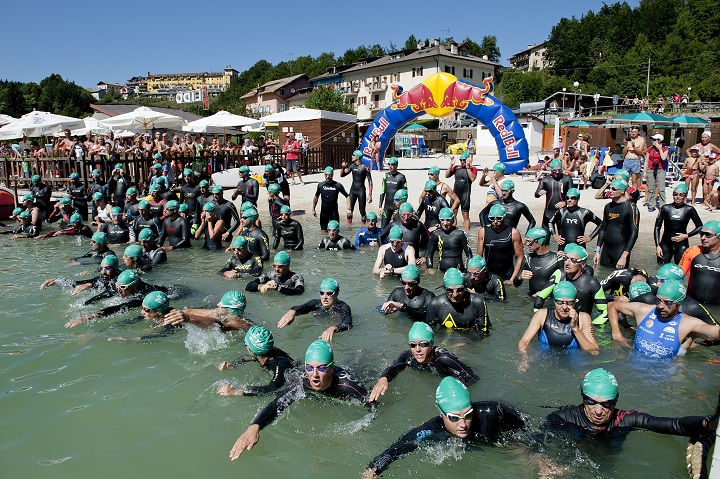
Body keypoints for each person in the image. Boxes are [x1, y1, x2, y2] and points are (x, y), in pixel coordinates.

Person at [229, 339, 372, 461]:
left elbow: (375, 408)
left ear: (331, 368)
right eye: (309, 367)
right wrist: (255, 426)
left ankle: (363, 354)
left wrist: (358, 430)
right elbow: (278, 403)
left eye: (321, 368)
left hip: (356, 378)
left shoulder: (349, 387)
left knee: (360, 364)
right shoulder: (303, 381)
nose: (314, 375)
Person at [362, 377, 525, 478]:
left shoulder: (493, 411)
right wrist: (374, 468)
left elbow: (526, 432)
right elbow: (401, 446)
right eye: (454, 418)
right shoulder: (434, 427)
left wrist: (534, 454)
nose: (462, 424)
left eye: (467, 415)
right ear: (441, 414)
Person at [546, 368, 718, 445]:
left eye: (607, 404)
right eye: (591, 402)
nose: (598, 411)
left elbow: (674, 425)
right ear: (582, 397)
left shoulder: (625, 419)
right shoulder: (564, 417)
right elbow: (540, 442)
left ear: (616, 401)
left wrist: (707, 423)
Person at [369, 322, 478, 402]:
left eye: (423, 344)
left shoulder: (443, 359)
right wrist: (383, 378)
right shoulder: (408, 356)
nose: (417, 350)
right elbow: (393, 369)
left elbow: (473, 378)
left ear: (431, 344)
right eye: (413, 345)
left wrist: (454, 392)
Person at [607, 280, 720, 356]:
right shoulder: (644, 311)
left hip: (666, 379)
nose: (661, 306)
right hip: (635, 369)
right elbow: (612, 306)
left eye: (668, 303)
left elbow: (715, 332)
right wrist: (617, 335)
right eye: (658, 300)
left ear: (679, 304)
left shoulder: (688, 323)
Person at [518, 281, 599, 365]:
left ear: (575, 302)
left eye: (569, 303)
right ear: (554, 301)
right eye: (560, 302)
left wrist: (575, 328)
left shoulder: (583, 318)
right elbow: (523, 342)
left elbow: (594, 352)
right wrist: (524, 359)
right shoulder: (542, 315)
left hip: (573, 365)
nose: (564, 307)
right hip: (545, 362)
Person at [65, 270, 168, 328]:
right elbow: (100, 296)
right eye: (117, 286)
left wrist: (90, 316)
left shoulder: (143, 294)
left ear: (134, 287)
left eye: (122, 287)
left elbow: (120, 307)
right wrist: (83, 305)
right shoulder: (120, 287)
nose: (118, 290)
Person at [534, 243, 608, 324]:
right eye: (566, 258)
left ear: (582, 265)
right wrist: (540, 319)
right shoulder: (559, 274)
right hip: (558, 323)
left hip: (579, 324)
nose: (567, 263)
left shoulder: (591, 283)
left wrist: (590, 327)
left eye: (573, 260)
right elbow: (540, 297)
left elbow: (605, 313)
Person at [216, 326, 296, 397]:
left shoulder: (279, 363)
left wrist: (236, 392)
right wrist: (233, 365)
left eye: (245, 344)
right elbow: (247, 358)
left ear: (251, 350)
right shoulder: (265, 352)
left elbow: (272, 388)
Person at [277, 278, 351, 341]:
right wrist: (292, 312)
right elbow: (302, 307)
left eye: (329, 293)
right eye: (322, 293)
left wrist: (333, 328)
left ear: (336, 294)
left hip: (332, 335)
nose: (324, 297)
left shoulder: (343, 307)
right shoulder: (315, 304)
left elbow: (347, 324)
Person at [426, 268, 491, 334]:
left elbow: (484, 333)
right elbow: (431, 333)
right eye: (450, 290)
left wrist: (468, 343)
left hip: (470, 338)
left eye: (459, 290)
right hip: (446, 339)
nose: (455, 294)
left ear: (464, 288)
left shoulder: (478, 302)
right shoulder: (435, 304)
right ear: (445, 288)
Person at [593, 178, 640, 269]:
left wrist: (624, 256)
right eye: (610, 188)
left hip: (620, 251)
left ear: (622, 191)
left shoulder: (631, 207)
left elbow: (634, 234)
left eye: (614, 189)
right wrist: (597, 251)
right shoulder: (608, 207)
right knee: (603, 276)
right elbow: (603, 229)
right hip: (606, 251)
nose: (610, 191)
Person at [654, 184, 703, 264]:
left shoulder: (689, 209)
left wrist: (686, 236)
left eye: (681, 194)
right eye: (675, 194)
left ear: (685, 196)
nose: (678, 196)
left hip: (682, 245)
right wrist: (657, 246)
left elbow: (700, 226)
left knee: (680, 270)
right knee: (661, 269)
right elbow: (657, 227)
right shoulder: (665, 208)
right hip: (665, 245)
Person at [106, 291, 183, 342]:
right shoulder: (153, 315)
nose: (142, 312)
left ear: (159, 312)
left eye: (146, 310)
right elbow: (128, 321)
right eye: (142, 308)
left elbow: (164, 334)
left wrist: (131, 339)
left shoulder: (174, 320)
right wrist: (99, 333)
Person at [161, 290, 253, 332]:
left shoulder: (242, 323)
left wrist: (189, 318)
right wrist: (179, 314)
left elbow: (220, 326)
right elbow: (188, 311)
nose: (217, 306)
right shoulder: (218, 312)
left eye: (220, 306)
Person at [476, 204, 524, 283]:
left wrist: (512, 279)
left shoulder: (513, 233)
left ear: (504, 218)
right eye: (492, 219)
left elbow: (520, 258)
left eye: (499, 218)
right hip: (489, 275)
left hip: (507, 276)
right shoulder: (483, 232)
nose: (495, 222)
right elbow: (478, 258)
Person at [679, 220, 720, 305]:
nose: (703, 238)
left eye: (708, 235)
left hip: (717, 308)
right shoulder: (692, 251)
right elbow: (677, 276)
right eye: (701, 234)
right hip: (692, 304)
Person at [40, 254, 120, 298]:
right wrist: (57, 281)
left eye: (107, 268)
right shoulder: (103, 278)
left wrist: (90, 285)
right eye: (101, 268)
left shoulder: (122, 278)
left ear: (115, 268)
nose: (103, 272)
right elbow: (81, 282)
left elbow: (113, 287)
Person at [514, 227, 564, 296]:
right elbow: (516, 284)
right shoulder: (528, 258)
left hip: (549, 299)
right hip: (531, 298)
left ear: (540, 242)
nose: (527, 244)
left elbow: (563, 285)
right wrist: (520, 277)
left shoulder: (557, 259)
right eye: (526, 241)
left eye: (529, 241)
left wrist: (544, 294)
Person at [425, 207, 472, 273]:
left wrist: (468, 269)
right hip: (441, 270)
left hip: (458, 270)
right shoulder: (436, 234)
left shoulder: (460, 234)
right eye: (442, 220)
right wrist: (430, 268)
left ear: (453, 220)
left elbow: (469, 254)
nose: (445, 223)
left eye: (448, 220)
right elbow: (429, 254)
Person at [535, 159, 573, 230]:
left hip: (562, 212)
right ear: (551, 170)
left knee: (563, 238)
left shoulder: (567, 179)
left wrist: (565, 202)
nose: (557, 172)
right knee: (545, 238)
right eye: (555, 171)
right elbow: (536, 194)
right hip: (548, 212)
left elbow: (573, 195)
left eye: (560, 170)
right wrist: (539, 193)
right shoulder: (545, 179)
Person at [445, 151, 477, 231]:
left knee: (465, 215)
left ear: (468, 160)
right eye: (461, 160)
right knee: (453, 213)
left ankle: (467, 234)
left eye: (464, 160)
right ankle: (452, 231)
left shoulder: (473, 169)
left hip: (465, 195)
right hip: (455, 194)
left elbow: (472, 178)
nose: (462, 162)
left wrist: (468, 167)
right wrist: (451, 165)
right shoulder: (456, 168)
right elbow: (447, 175)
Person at [312, 166, 350, 232]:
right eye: (326, 175)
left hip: (334, 213)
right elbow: (316, 197)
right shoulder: (320, 185)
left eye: (329, 175)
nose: (327, 177)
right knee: (323, 233)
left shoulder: (337, 185)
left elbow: (347, 196)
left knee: (335, 231)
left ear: (332, 175)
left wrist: (349, 209)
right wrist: (313, 209)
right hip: (324, 212)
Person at [340, 150, 372, 224]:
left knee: (362, 211)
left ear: (357, 157)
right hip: (353, 191)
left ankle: (364, 227)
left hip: (361, 191)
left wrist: (370, 194)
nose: (351, 156)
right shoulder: (352, 166)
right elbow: (342, 175)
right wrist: (343, 168)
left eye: (353, 155)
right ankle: (349, 228)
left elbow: (370, 181)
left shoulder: (365, 167)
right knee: (349, 211)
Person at [378, 157, 407, 228]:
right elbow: (382, 191)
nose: (390, 166)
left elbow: (405, 194)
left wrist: (401, 208)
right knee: (383, 229)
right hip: (387, 207)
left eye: (392, 164)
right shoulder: (386, 176)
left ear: (397, 165)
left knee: (397, 228)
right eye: (389, 164)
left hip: (396, 208)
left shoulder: (401, 177)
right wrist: (380, 206)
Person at [644, 133, 669, 212]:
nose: (653, 141)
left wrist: (660, 149)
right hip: (651, 169)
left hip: (660, 169)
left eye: (655, 140)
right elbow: (646, 160)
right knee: (651, 187)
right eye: (653, 140)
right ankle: (651, 204)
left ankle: (662, 205)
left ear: (659, 141)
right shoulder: (650, 149)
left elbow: (663, 158)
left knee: (661, 188)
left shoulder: (665, 149)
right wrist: (645, 171)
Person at [622, 125, 647, 193]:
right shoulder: (628, 139)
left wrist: (634, 146)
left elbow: (639, 152)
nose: (632, 133)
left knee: (634, 178)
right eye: (631, 132)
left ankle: (634, 193)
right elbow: (624, 153)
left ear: (638, 132)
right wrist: (626, 145)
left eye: (634, 132)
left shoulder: (641, 140)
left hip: (635, 160)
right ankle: (624, 192)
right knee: (624, 177)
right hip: (627, 159)